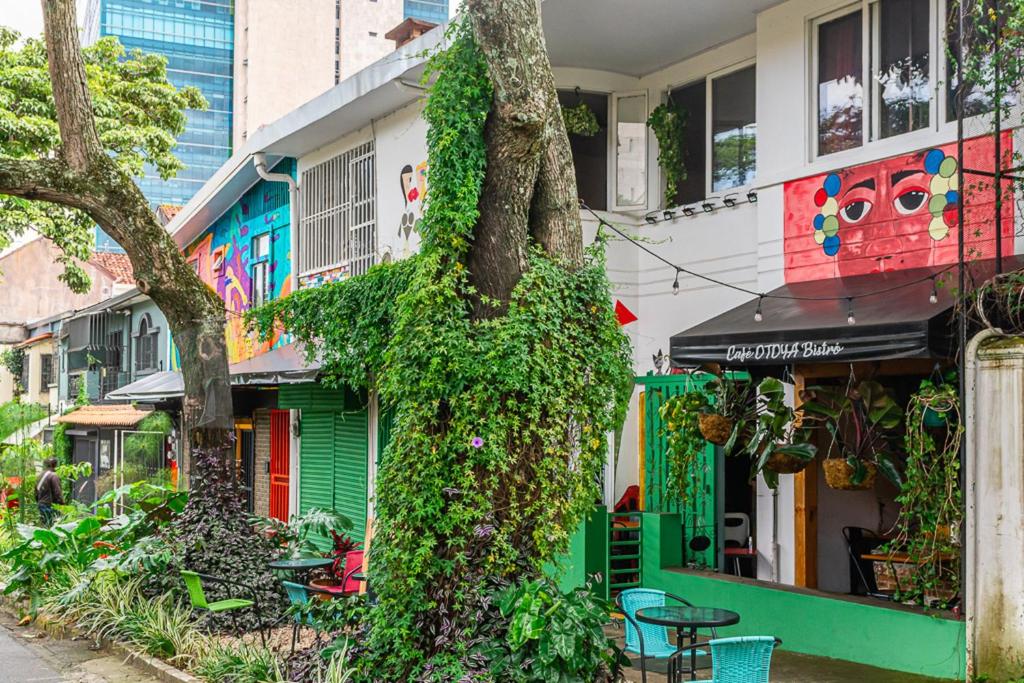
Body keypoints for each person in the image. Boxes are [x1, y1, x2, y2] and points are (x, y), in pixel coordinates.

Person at [36, 457, 64, 527]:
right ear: (54, 465)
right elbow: (57, 492)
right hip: (50, 506)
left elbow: (35, 493)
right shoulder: (53, 476)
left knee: (44, 526)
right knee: (52, 526)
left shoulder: (40, 476)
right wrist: (62, 505)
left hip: (41, 504)